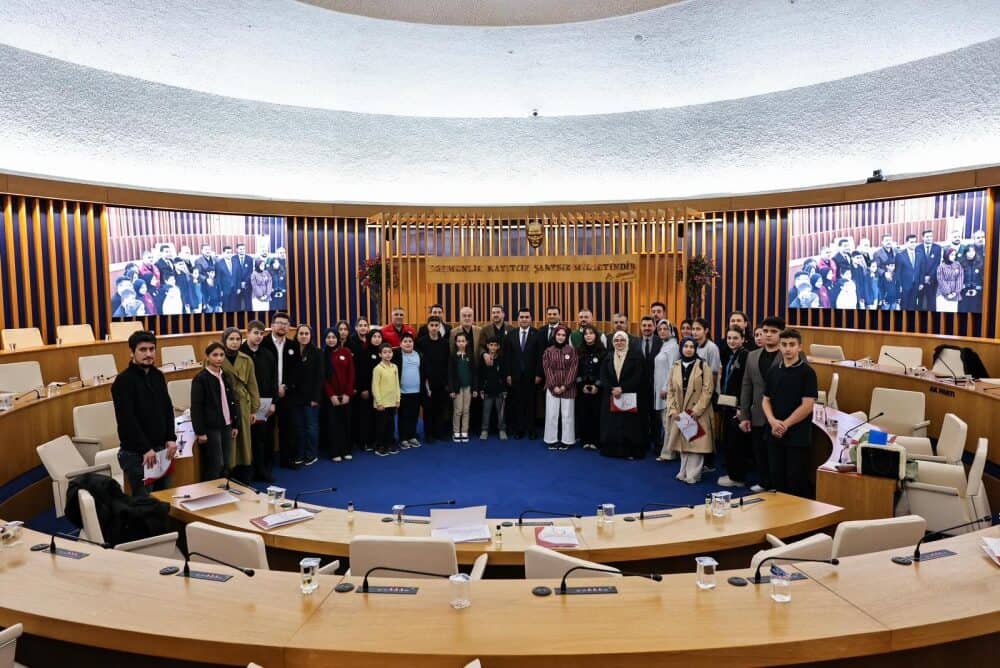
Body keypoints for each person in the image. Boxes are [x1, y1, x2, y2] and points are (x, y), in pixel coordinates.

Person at [111, 330, 177, 496]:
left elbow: (167, 408)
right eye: (143, 350)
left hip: (161, 450)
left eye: (152, 349)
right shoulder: (123, 381)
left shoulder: (158, 376)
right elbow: (127, 420)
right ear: (132, 352)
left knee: (165, 498)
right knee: (145, 506)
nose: (148, 354)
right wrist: (145, 448)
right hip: (137, 453)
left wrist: (171, 437)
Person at [762, 329, 818, 498]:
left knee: (794, 480)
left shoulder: (807, 372)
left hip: (796, 435)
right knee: (776, 478)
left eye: (792, 345)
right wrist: (772, 422)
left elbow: (807, 405)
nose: (787, 349)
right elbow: (765, 400)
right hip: (774, 432)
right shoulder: (774, 371)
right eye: (784, 345)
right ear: (779, 346)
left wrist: (785, 424)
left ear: (799, 347)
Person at [739, 316, 784, 492]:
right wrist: (744, 415)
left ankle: (777, 485)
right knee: (760, 450)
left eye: (774, 332)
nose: (769, 335)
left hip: (781, 414)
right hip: (757, 411)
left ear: (781, 334)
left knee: (777, 453)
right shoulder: (752, 355)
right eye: (765, 331)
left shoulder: (789, 353)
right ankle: (764, 481)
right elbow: (746, 385)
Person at [665, 337, 714, 483]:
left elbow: (708, 390)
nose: (688, 349)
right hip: (680, 410)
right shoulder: (675, 365)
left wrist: (697, 410)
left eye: (692, 346)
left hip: (697, 411)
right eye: (685, 346)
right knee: (683, 444)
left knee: (696, 444)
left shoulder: (702, 365)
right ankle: (683, 471)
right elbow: (670, 390)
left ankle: (693, 474)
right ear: (681, 348)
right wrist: (672, 409)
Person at [191, 342, 240, 482]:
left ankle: (225, 489)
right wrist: (200, 431)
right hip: (211, 427)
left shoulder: (225, 376)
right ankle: (212, 493)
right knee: (215, 463)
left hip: (227, 424)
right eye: (215, 355)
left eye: (221, 355)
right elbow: (197, 407)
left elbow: (232, 401)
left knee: (227, 462)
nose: (219, 358)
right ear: (207, 357)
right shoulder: (201, 379)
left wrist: (235, 424)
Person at [221, 327, 261, 480]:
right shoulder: (217, 356)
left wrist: (253, 409)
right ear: (224, 340)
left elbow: (252, 384)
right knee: (229, 439)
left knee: (244, 440)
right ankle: (228, 474)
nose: (235, 342)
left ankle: (244, 475)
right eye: (231, 339)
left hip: (243, 403)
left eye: (238, 339)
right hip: (225, 402)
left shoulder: (246, 359)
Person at [599, 331, 646, 459]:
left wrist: (623, 388)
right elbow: (603, 376)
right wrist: (612, 389)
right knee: (612, 425)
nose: (619, 343)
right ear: (613, 343)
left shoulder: (636, 356)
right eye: (616, 340)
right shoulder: (608, 357)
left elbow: (638, 376)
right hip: (612, 395)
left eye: (622, 340)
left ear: (627, 342)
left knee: (630, 426)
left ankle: (630, 451)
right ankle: (613, 451)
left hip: (629, 396)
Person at [240, 320, 277, 482]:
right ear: (247, 333)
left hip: (264, 402)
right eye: (255, 333)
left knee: (261, 438)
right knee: (246, 438)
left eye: (261, 334)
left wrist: (273, 402)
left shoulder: (267, 354)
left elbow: (273, 380)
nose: (259, 337)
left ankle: (261, 469)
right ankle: (246, 471)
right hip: (244, 403)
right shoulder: (240, 352)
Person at [261, 311, 298, 468]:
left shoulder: (293, 346)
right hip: (267, 394)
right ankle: (266, 463)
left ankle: (287, 460)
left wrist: (286, 387)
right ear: (272, 326)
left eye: (285, 324)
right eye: (279, 323)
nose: (282, 326)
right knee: (266, 430)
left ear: (289, 327)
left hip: (287, 394)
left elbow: (297, 371)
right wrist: (274, 389)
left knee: (288, 428)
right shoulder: (263, 344)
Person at [717, 327, 750, 488]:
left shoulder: (745, 356)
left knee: (736, 443)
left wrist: (741, 407)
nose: (731, 341)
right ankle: (733, 474)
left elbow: (745, 384)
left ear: (743, 339)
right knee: (729, 441)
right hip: (728, 403)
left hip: (738, 406)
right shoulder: (732, 355)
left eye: (735, 338)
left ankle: (737, 478)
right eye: (729, 338)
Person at [504, 308, 543, 439]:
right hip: (515, 376)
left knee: (531, 403)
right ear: (518, 319)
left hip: (532, 376)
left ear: (531, 319)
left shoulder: (537, 334)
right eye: (522, 317)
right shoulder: (511, 334)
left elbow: (540, 356)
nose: (524, 319)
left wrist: (538, 374)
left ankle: (531, 429)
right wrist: (508, 374)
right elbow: (507, 356)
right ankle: (520, 429)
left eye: (527, 317)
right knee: (518, 402)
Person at [287, 323, 323, 466]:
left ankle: (311, 454)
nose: (303, 336)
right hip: (295, 397)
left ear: (311, 336)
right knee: (298, 427)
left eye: (306, 333)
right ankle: (300, 454)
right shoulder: (291, 351)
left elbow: (320, 377)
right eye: (301, 333)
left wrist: (316, 398)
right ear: (297, 335)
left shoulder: (317, 352)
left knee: (311, 426)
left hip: (311, 398)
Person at [542, 325, 578, 451]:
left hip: (568, 387)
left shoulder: (572, 351)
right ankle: (551, 439)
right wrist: (554, 386)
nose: (561, 337)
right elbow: (547, 369)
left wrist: (565, 386)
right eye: (558, 334)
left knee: (567, 415)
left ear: (566, 337)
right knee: (551, 414)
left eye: (563, 335)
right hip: (552, 388)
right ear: (555, 335)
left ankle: (567, 440)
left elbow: (574, 369)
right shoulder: (548, 351)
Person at [323, 327, 356, 462]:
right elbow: (323, 378)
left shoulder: (346, 352)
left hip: (346, 396)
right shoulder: (323, 355)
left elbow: (351, 373)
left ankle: (346, 449)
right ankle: (334, 451)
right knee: (333, 425)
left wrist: (348, 393)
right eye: (328, 337)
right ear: (325, 339)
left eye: (333, 337)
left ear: (338, 339)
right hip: (331, 398)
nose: (331, 340)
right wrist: (331, 395)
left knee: (346, 423)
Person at [417, 316, 450, 443]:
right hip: (427, 382)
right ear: (428, 326)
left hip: (441, 381)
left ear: (440, 327)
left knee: (440, 408)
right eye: (432, 325)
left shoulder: (444, 343)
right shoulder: (421, 342)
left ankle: (439, 432)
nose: (434, 328)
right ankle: (428, 434)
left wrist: (447, 381)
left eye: (437, 325)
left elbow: (447, 362)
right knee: (428, 409)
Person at [575, 325, 606, 451]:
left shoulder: (603, 352)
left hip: (597, 389)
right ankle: (585, 440)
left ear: (596, 335)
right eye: (586, 334)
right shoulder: (578, 351)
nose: (588, 335)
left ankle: (595, 440)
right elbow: (575, 371)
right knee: (583, 414)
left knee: (596, 414)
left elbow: (604, 371)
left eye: (591, 333)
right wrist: (581, 385)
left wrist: (596, 385)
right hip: (582, 388)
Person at [351, 325, 382, 452]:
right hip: (367, 390)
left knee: (377, 417)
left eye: (379, 337)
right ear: (370, 338)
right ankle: (364, 441)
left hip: (381, 391)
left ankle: (376, 439)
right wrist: (363, 388)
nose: (377, 339)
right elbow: (361, 372)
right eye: (374, 337)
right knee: (365, 417)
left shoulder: (384, 352)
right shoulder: (364, 352)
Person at [653, 319, 680, 461]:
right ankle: (670, 451)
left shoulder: (673, 347)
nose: (662, 331)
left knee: (667, 422)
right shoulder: (664, 345)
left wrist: (666, 388)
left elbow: (672, 369)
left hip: (666, 390)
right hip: (660, 389)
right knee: (665, 422)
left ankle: (668, 453)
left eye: (665, 329)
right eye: (660, 329)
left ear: (671, 330)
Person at [394, 332, 424, 449]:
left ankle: (412, 436)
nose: (408, 343)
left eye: (410, 341)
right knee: (403, 416)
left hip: (416, 391)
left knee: (414, 415)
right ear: (400, 344)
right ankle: (403, 438)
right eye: (405, 341)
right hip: (403, 391)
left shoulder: (418, 354)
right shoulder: (397, 354)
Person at [637, 315, 662, 451]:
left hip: (656, 387)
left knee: (656, 417)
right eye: (644, 326)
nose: (647, 328)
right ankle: (644, 443)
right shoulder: (634, 342)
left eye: (649, 325)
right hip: (639, 387)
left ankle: (658, 445)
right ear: (640, 327)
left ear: (654, 327)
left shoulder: (661, 342)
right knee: (641, 417)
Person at [372, 342, 401, 456]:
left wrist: (398, 399)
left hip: (392, 402)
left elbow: (397, 384)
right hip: (382, 403)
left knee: (390, 425)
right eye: (385, 352)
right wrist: (379, 402)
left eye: (389, 352)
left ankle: (389, 444)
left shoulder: (395, 367)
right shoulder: (378, 369)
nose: (387, 354)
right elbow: (375, 386)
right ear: (380, 354)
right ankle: (380, 446)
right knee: (381, 426)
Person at [448, 331, 477, 443]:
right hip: (457, 388)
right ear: (455, 342)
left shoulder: (470, 356)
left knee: (466, 410)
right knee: (458, 410)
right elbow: (450, 374)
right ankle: (456, 432)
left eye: (463, 341)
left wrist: (475, 388)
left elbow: (474, 373)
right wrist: (451, 389)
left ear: (467, 342)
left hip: (468, 387)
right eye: (459, 341)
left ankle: (464, 431)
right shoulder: (453, 356)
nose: (461, 343)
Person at [479, 336, 507, 440]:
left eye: (495, 345)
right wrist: (481, 389)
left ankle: (502, 429)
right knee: (486, 411)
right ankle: (484, 430)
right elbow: (480, 375)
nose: (493, 347)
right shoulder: (483, 360)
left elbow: (504, 375)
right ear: (487, 346)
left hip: (499, 390)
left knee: (501, 411)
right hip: (487, 390)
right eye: (491, 345)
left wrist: (504, 390)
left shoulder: (501, 359)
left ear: (498, 346)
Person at [916, 229, 942, 310]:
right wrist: (923, 277)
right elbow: (917, 264)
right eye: (927, 236)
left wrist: (929, 276)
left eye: (930, 236)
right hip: (920, 279)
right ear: (923, 237)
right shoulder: (918, 248)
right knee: (920, 300)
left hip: (932, 279)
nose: (929, 238)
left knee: (931, 301)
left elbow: (937, 264)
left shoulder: (937, 248)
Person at [936, 246, 964, 312]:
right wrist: (948, 293)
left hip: (954, 295)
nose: (954, 256)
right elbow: (941, 280)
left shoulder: (958, 265)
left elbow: (960, 279)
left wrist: (955, 292)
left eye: (955, 255)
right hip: (942, 295)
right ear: (946, 255)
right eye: (952, 255)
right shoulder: (941, 266)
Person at [959, 244, 983, 313]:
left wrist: (976, 289)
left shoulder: (980, 263)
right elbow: (958, 280)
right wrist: (965, 288)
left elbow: (981, 279)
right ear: (965, 253)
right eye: (969, 251)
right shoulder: (960, 263)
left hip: (977, 293)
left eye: (973, 251)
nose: (971, 253)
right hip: (963, 293)